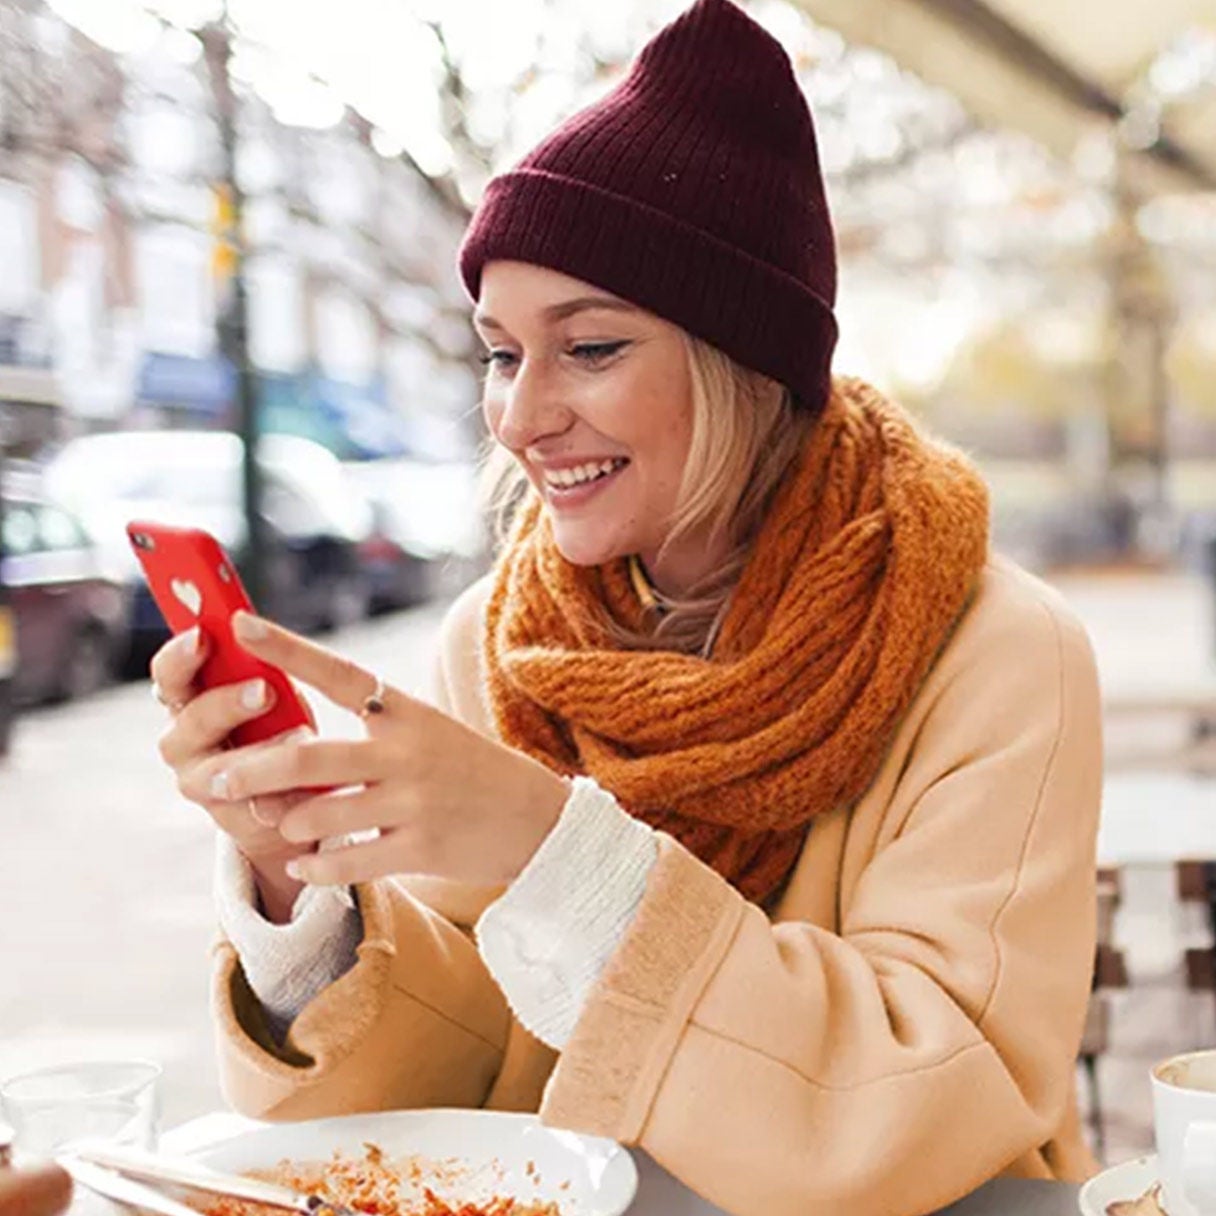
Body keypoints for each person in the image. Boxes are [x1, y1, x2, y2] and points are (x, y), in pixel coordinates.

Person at [150, 2, 1103, 1213]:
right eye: (501, 353)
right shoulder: (498, 644)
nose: (520, 413)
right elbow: (475, 1083)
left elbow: (926, 1106)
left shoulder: (1001, 654)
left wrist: (557, 857)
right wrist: (302, 889)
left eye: (589, 347)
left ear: (745, 365)